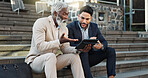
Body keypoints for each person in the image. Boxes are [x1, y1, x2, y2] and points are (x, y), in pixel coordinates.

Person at [25, 2, 85, 78]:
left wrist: (78, 49)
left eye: (67, 14)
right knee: (51, 56)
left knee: (74, 56)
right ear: (55, 13)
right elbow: (40, 46)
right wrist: (58, 42)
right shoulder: (41, 22)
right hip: (36, 61)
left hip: (53, 60)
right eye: (64, 14)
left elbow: (64, 48)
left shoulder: (64, 28)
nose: (66, 17)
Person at [67, 5, 116, 78]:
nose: (84, 21)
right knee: (84, 51)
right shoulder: (71, 27)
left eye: (87, 19)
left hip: (90, 57)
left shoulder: (94, 27)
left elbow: (104, 41)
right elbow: (69, 45)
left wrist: (101, 46)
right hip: (77, 58)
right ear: (78, 16)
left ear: (91, 19)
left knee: (110, 51)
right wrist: (82, 46)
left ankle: (111, 76)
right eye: (82, 18)